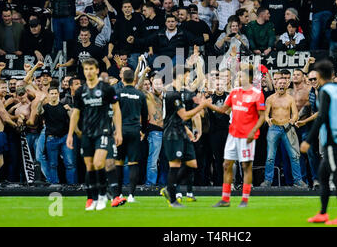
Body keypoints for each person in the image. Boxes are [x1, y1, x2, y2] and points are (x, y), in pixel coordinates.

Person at [301, 59, 337, 225]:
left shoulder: (325, 91)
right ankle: (323, 213)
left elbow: (322, 116)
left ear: (318, 76)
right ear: (332, 75)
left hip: (333, 139)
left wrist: (308, 140)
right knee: (323, 176)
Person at [66, 58, 123, 211]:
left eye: (92, 69)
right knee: (89, 166)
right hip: (87, 133)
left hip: (103, 131)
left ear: (97, 70)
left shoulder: (106, 88)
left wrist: (118, 131)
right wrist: (70, 134)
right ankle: (92, 198)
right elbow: (76, 114)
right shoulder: (80, 91)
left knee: (99, 163)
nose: (89, 72)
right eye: (86, 69)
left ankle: (103, 195)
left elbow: (116, 110)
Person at [207, 64, 266, 207]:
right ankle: (225, 199)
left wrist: (253, 131)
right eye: (238, 75)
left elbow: (262, 116)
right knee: (226, 164)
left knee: (246, 166)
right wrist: (205, 104)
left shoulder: (257, 94)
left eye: (241, 75)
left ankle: (244, 199)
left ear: (249, 78)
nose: (238, 78)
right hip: (232, 134)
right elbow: (222, 110)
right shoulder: (234, 92)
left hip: (247, 136)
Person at [159, 67, 211, 208]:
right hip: (172, 133)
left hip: (181, 131)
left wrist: (187, 130)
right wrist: (203, 105)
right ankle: (172, 198)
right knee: (175, 165)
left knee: (192, 163)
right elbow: (184, 115)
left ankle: (169, 188)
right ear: (180, 76)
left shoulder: (177, 93)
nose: (188, 79)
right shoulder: (172, 94)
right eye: (187, 76)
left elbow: (177, 116)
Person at [262, 76, 306, 187]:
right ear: (275, 85)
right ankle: (268, 180)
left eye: (284, 83)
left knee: (294, 155)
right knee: (270, 156)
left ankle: (298, 180)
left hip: (287, 128)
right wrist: (268, 120)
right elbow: (266, 114)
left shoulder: (290, 99)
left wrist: (293, 120)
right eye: (279, 83)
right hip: (274, 128)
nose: (281, 85)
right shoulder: (270, 99)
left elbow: (295, 113)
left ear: (287, 85)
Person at [114, 69, 148, 204]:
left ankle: (118, 194)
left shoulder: (117, 93)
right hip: (134, 131)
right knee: (133, 163)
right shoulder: (140, 95)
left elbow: (112, 112)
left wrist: (114, 130)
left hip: (120, 131)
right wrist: (143, 130)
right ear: (134, 80)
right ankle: (131, 195)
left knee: (119, 163)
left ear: (122, 79)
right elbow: (145, 116)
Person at [42, 87, 76, 184]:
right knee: (53, 164)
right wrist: (40, 101)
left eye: (55, 93)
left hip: (64, 137)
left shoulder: (63, 106)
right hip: (51, 138)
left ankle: (71, 186)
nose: (54, 95)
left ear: (58, 94)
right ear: (48, 95)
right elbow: (38, 112)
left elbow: (74, 118)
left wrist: (69, 109)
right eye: (52, 93)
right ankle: (54, 185)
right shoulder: (45, 107)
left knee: (69, 163)